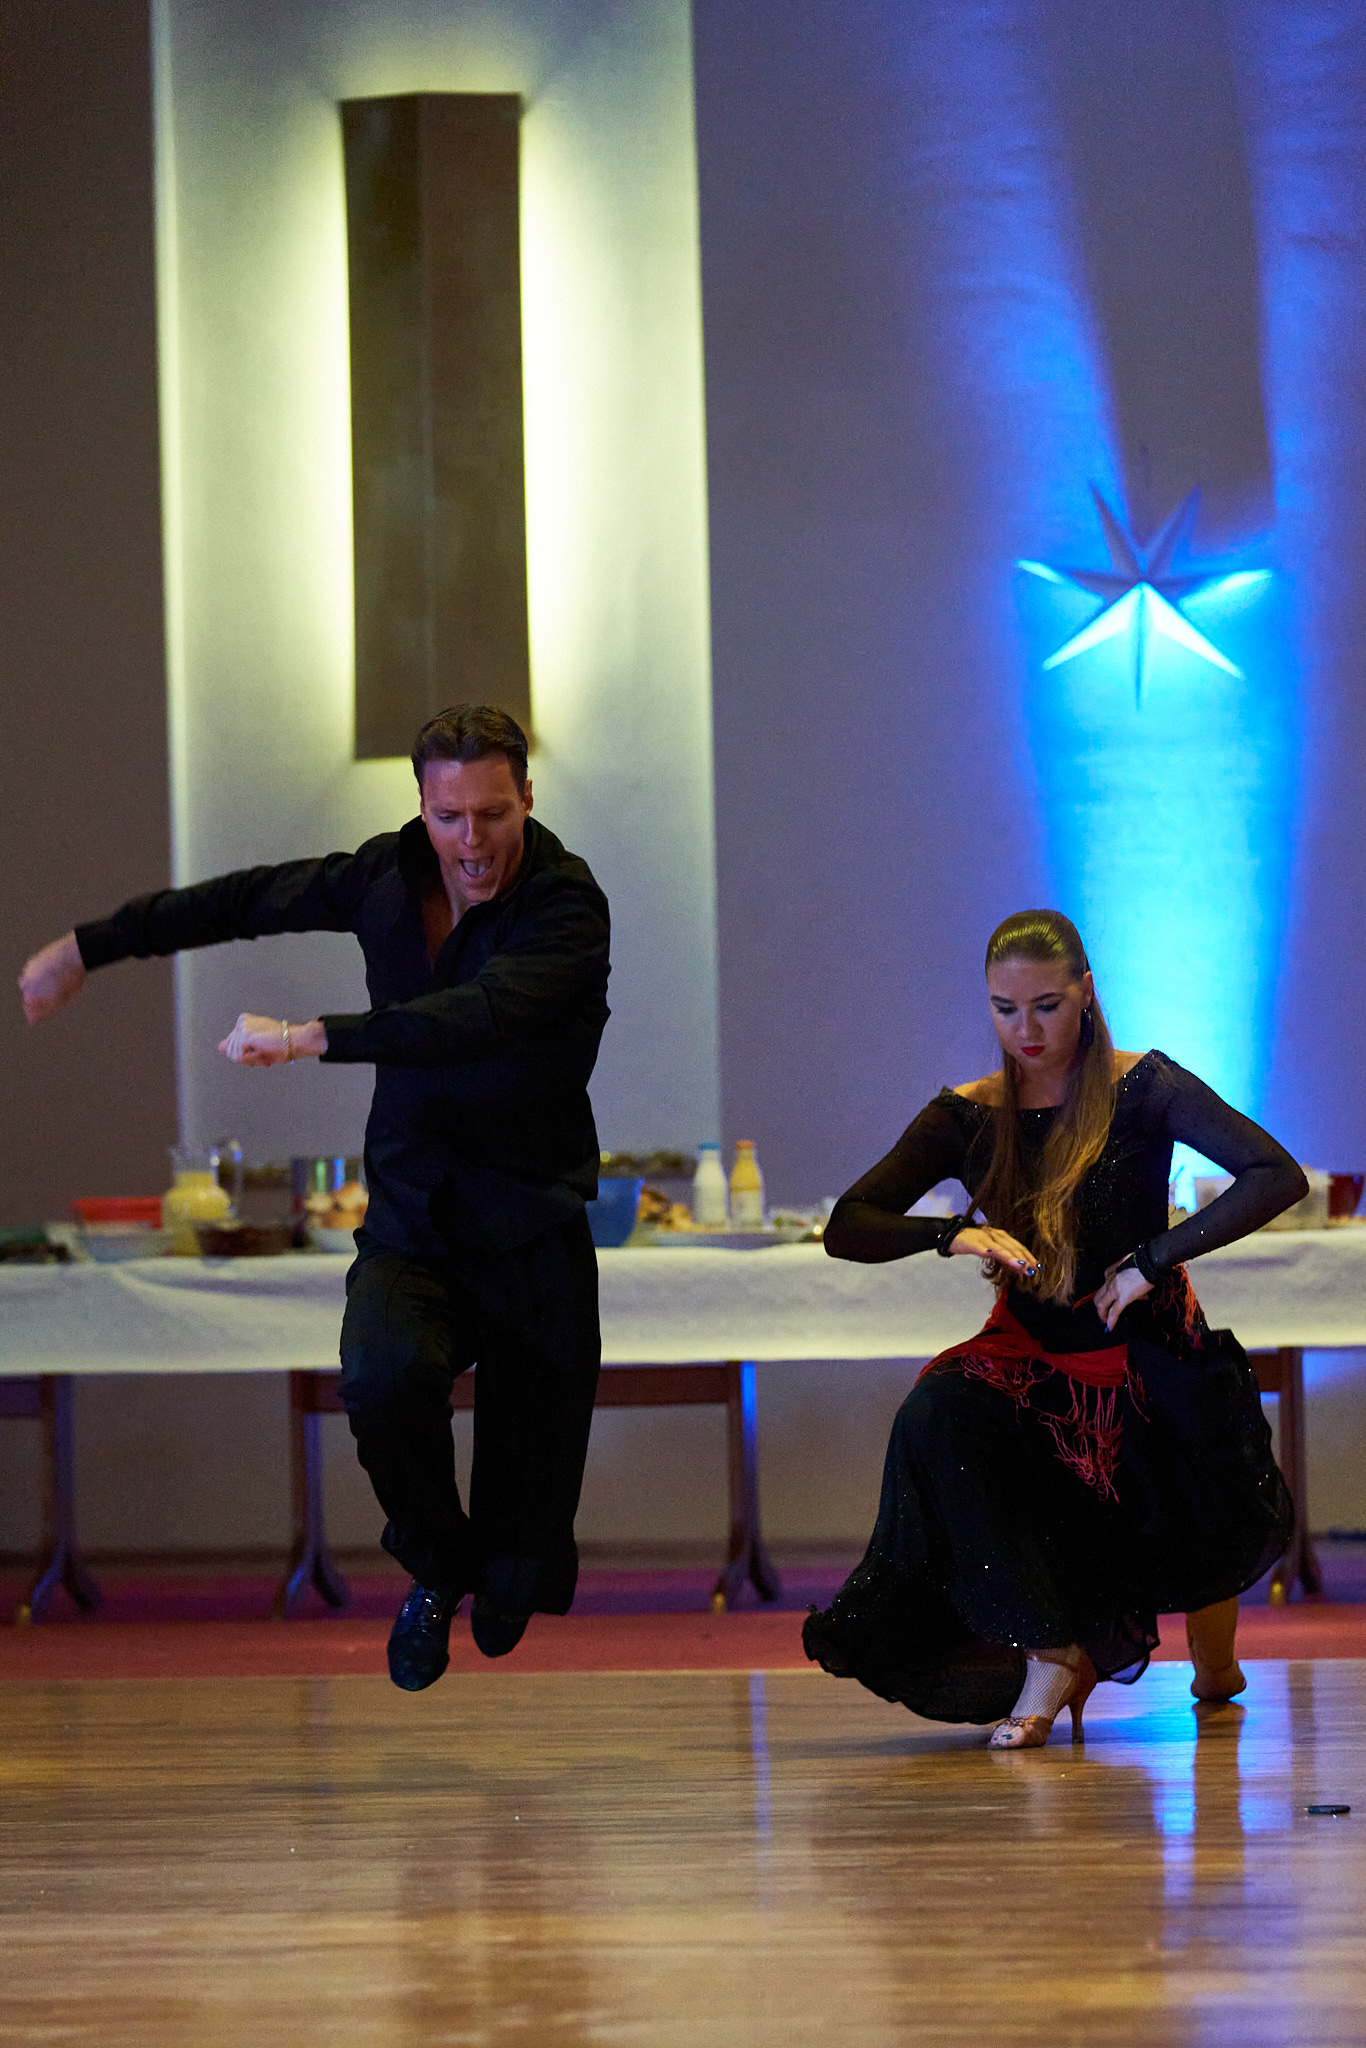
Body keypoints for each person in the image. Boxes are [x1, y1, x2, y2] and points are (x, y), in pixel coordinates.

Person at [19, 705, 611, 1692]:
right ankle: (435, 1567)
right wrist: (88, 946)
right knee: (379, 1378)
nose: (471, 840)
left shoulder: (567, 905)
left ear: (526, 799)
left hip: (531, 1223)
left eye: (493, 814)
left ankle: (497, 1571)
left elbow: (476, 1016)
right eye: (449, 816)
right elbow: (245, 900)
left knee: (520, 1577)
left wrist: (311, 1037)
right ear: (421, 806)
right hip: (415, 1218)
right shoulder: (384, 876)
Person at [803, 909, 1304, 1749]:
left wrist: (1153, 1259)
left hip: (1145, 1347)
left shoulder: (1145, 1086)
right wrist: (949, 1233)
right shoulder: (970, 1113)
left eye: (1046, 1006)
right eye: (1005, 1009)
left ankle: (1215, 1661)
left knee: (1197, 1503)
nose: (1026, 1030)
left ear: (1086, 994)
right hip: (1030, 1358)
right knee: (935, 1414)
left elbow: (1274, 1174)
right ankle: (1052, 1651)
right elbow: (848, 1224)